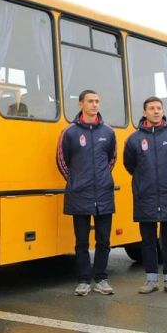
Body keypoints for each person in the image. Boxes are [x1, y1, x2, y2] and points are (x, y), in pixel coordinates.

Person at [57, 89, 117, 296]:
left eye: (97, 101)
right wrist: (74, 181)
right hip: (79, 194)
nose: (94, 105)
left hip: (104, 193)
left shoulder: (108, 132)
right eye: (90, 101)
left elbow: (112, 159)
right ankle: (83, 280)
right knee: (81, 241)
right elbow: (61, 160)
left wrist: (101, 178)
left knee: (104, 240)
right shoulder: (70, 132)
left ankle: (101, 279)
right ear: (80, 104)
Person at [124, 96, 167, 295]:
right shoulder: (134, 139)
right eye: (151, 108)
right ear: (144, 112)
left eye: (159, 108)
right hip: (146, 196)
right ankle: (151, 279)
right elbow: (129, 165)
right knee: (148, 241)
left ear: (162, 111)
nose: (156, 111)